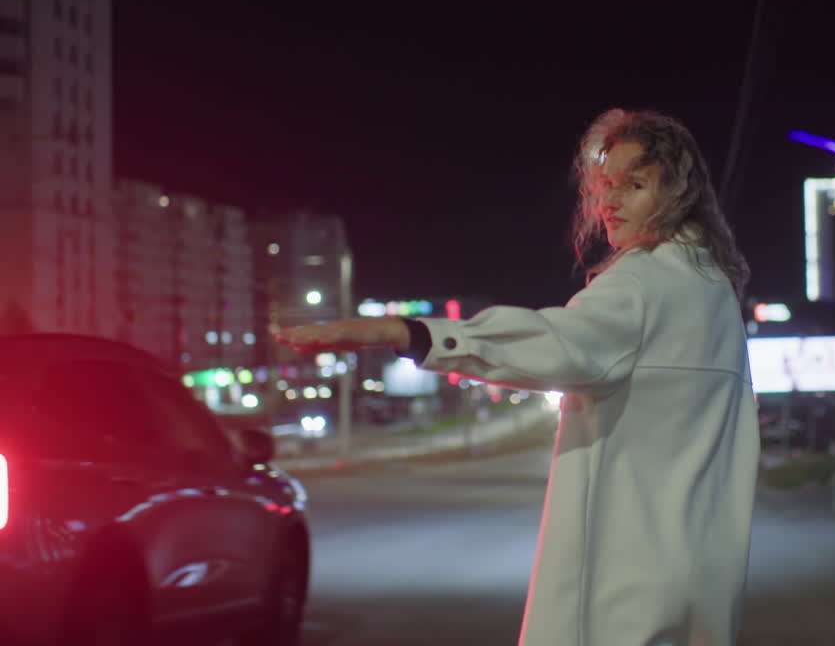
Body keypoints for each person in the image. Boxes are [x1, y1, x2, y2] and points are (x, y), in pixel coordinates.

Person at [274, 108, 760, 646]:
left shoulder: (645, 282)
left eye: (635, 184)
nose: (610, 202)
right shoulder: (714, 293)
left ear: (677, 191)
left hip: (622, 590)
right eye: (605, 185)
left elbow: (553, 343)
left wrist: (403, 333)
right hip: (701, 578)